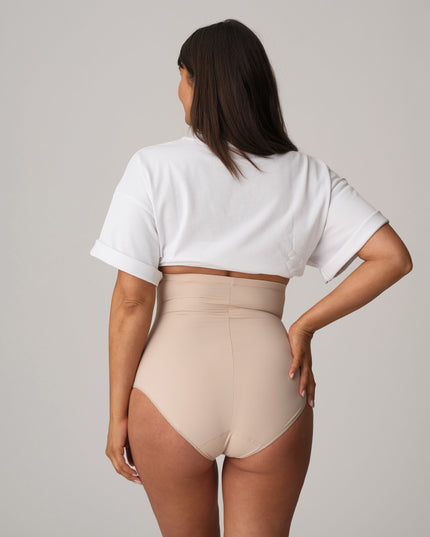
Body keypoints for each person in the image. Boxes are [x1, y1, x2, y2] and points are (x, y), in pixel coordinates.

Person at [89, 19, 412, 537]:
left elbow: (131, 302)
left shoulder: (152, 168)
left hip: (173, 382)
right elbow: (392, 257)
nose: (178, 91)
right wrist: (303, 325)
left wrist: (115, 416)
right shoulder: (308, 174)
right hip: (274, 379)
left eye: (181, 78)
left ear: (197, 82)